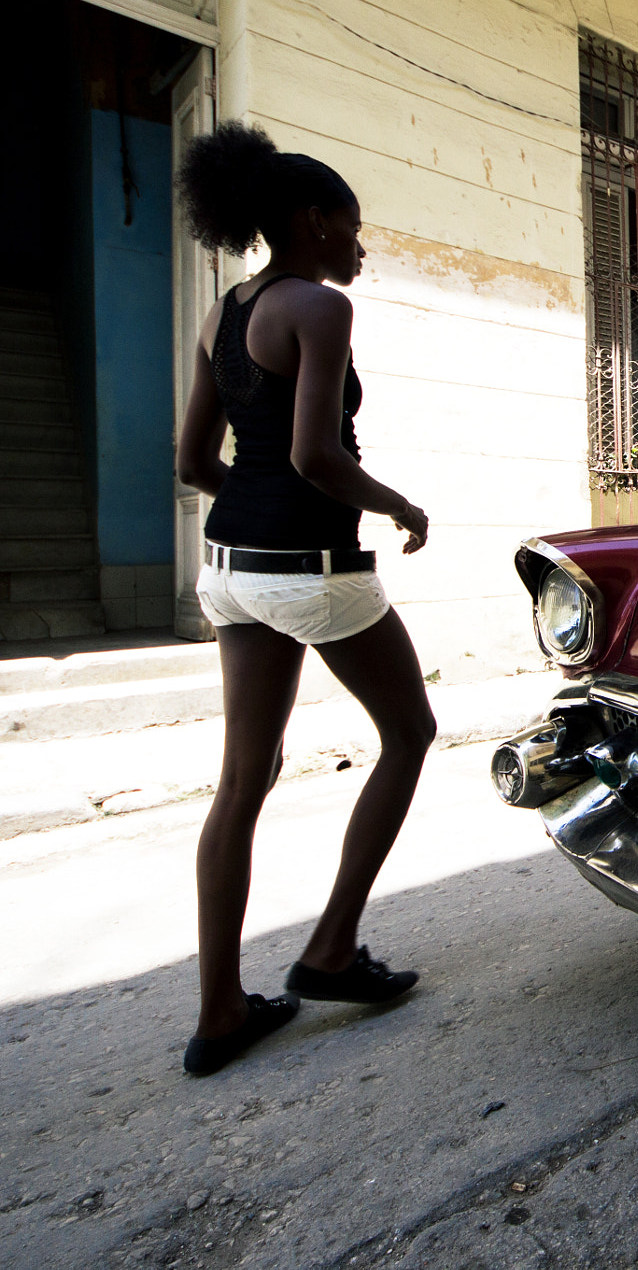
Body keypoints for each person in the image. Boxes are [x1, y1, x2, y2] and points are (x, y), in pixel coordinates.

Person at [173, 123, 436, 1075]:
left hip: (230, 570)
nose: (359, 248)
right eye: (353, 229)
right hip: (312, 570)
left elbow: (196, 462)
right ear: (313, 221)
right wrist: (400, 505)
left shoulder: (222, 313)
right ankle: (329, 950)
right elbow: (316, 458)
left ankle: (221, 1014)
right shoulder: (317, 309)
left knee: (242, 783)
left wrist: (256, 521)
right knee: (410, 734)